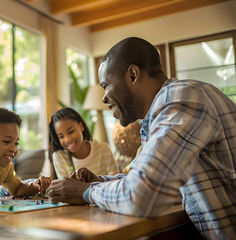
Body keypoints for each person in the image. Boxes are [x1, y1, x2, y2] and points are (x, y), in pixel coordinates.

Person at [46, 37, 236, 239]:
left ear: (133, 75)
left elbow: (141, 195)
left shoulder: (179, 101)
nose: (104, 98)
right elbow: (144, 177)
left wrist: (86, 191)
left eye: (106, 85)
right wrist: (99, 181)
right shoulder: (172, 104)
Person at [48, 107, 119, 179]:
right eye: (61, 136)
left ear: (81, 126)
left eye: (71, 132)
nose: (67, 140)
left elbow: (115, 182)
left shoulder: (104, 149)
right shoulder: (60, 156)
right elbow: (65, 188)